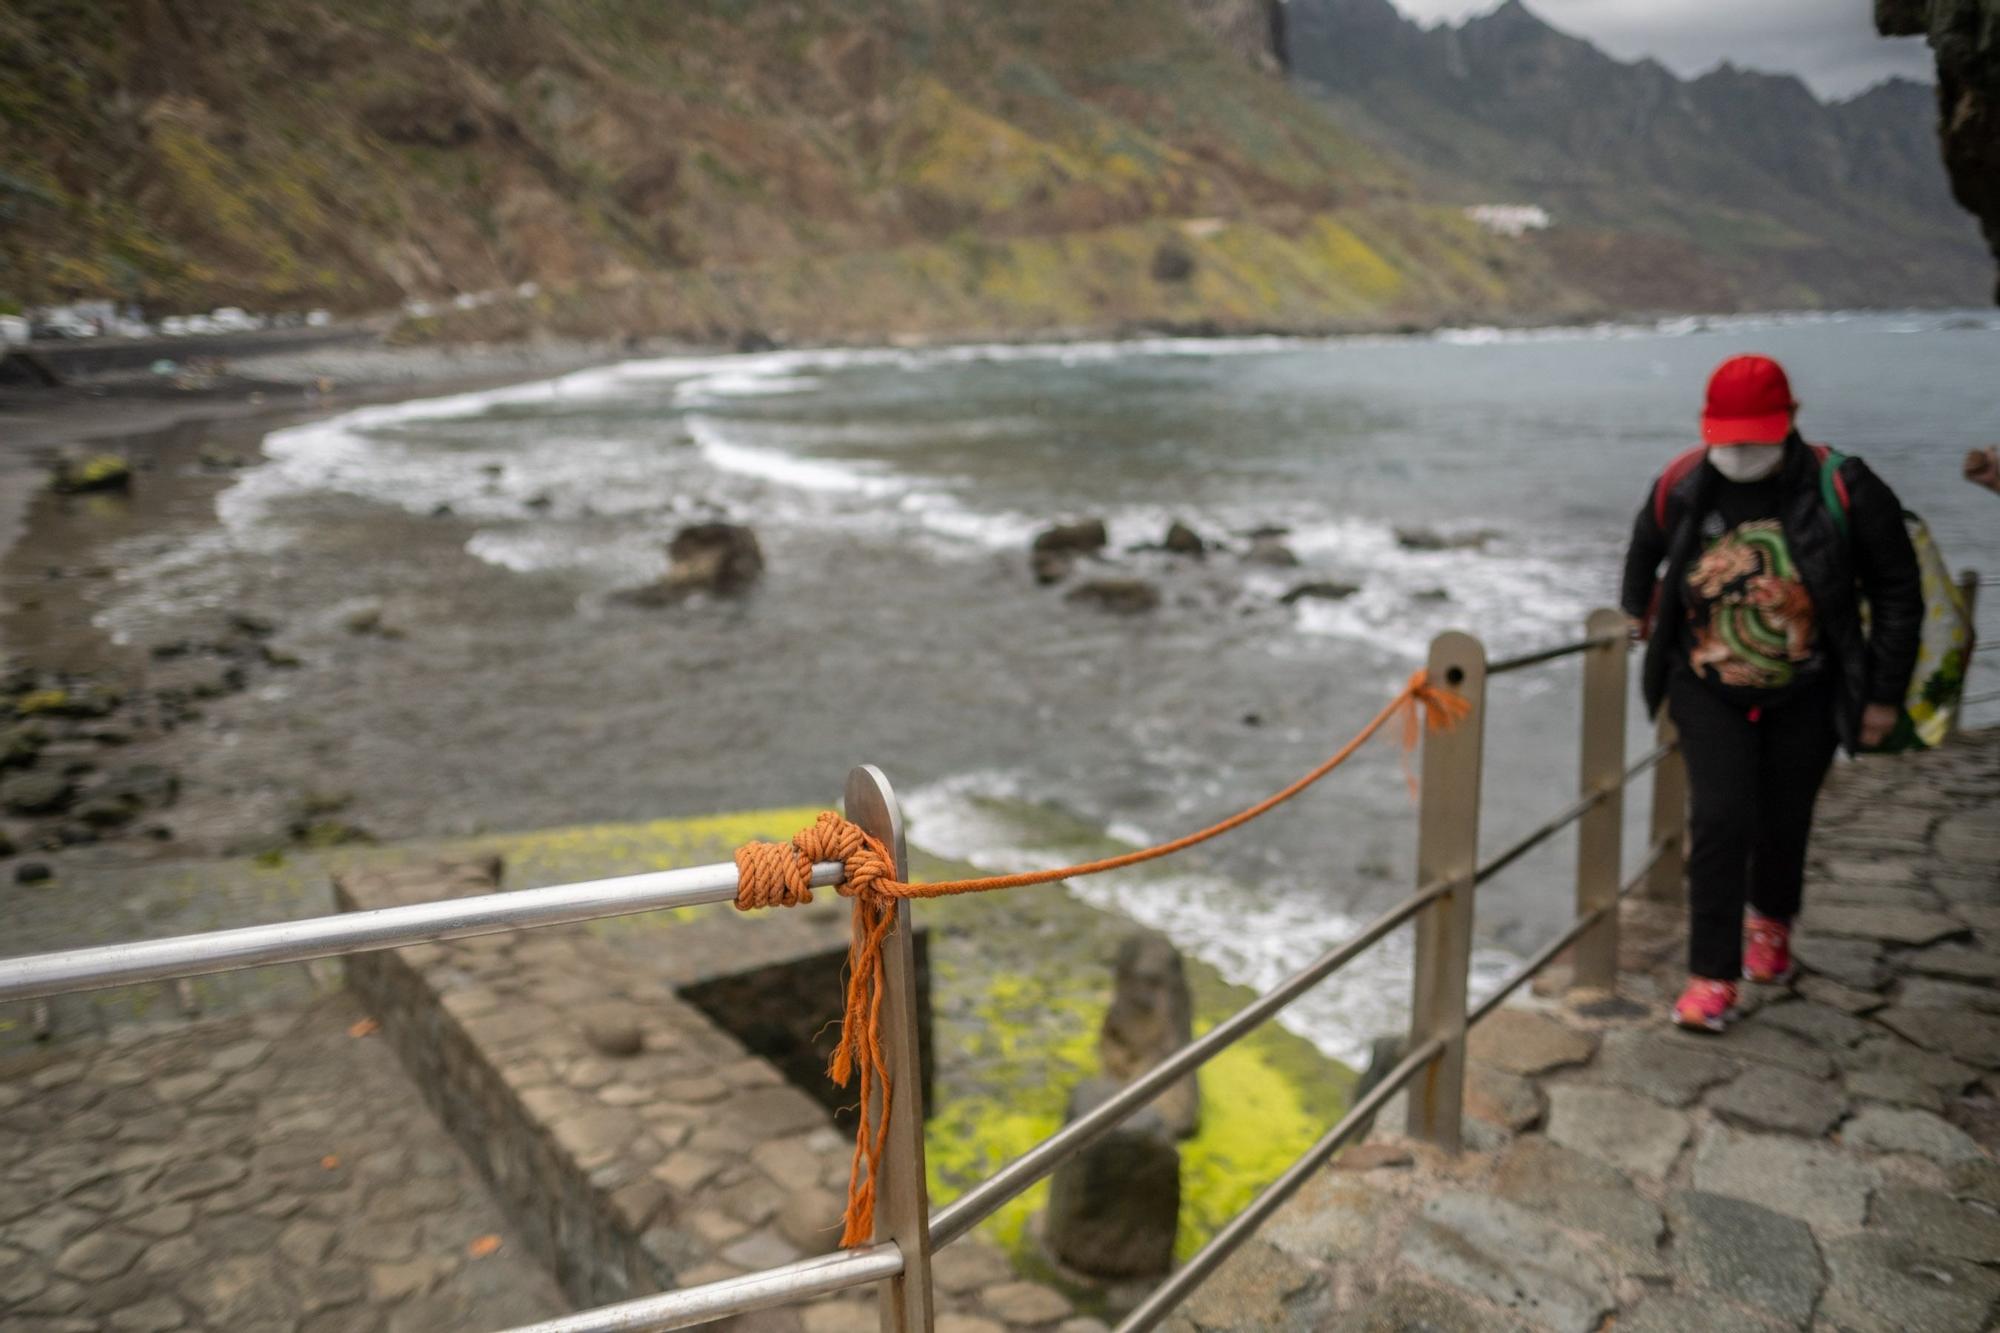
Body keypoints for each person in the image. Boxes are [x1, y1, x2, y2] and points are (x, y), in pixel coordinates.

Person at [1620, 354, 1922, 1032]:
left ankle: (1772, 925)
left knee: (1783, 818)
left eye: (1755, 435)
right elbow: (1644, 549)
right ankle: (1710, 976)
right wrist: (1635, 612)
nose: (1741, 450)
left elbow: (1899, 591)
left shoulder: (1845, 486)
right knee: (1722, 819)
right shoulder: (1682, 482)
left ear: (1789, 421)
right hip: (1705, 684)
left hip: (1808, 687)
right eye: (1728, 435)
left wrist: (1882, 696)